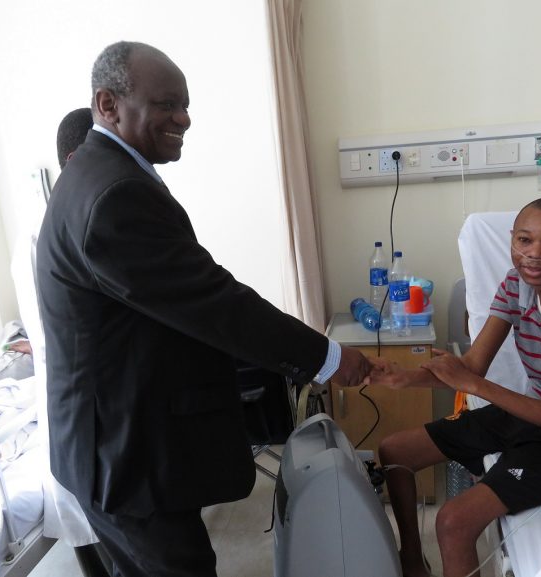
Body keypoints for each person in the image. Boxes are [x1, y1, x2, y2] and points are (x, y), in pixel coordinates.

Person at [36, 41, 371, 577]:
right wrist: (328, 358)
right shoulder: (114, 193)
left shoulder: (100, 174)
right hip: (124, 456)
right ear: (108, 104)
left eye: (185, 105)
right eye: (166, 104)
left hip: (111, 443)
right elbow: (215, 303)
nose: (184, 118)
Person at [367, 197, 541, 577]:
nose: (534, 254)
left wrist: (474, 385)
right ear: (512, 239)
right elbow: (471, 367)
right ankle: (413, 561)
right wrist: (403, 376)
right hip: (533, 413)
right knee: (395, 450)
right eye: (524, 240)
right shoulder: (516, 285)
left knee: (453, 521)